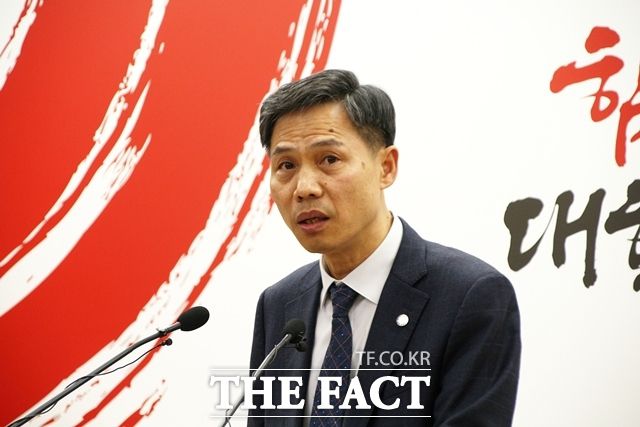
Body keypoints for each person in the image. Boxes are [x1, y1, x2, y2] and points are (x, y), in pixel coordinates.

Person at [248, 69, 520, 427]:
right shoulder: (279, 305)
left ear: (386, 167)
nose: (305, 188)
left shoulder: (470, 297)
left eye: (329, 159)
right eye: (286, 165)